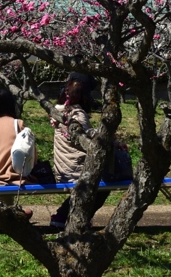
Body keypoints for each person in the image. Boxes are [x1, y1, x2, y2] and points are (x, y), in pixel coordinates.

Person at [50, 79, 110, 230]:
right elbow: (89, 140)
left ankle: (64, 216)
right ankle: (67, 216)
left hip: (63, 168)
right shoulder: (78, 114)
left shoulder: (60, 114)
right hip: (76, 169)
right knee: (104, 185)